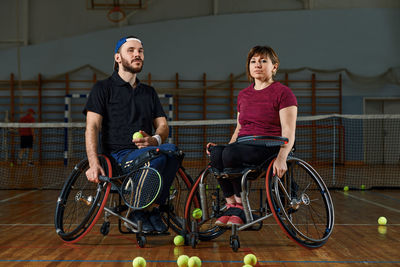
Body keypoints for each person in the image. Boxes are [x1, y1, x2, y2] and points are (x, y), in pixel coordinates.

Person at [83, 36, 180, 233]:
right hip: (117, 158)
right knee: (160, 155)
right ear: (117, 57)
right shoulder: (102, 89)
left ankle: (152, 210)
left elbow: (163, 126)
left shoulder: (149, 92)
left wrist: (155, 139)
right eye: (131, 50)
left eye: (141, 51)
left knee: (172, 152)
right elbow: (92, 127)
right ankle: (136, 211)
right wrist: (93, 163)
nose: (137, 54)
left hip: (147, 153)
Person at [207, 45, 297, 227]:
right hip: (243, 145)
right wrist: (225, 148)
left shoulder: (283, 93)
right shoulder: (243, 95)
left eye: (264, 61)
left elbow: (289, 130)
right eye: (253, 61)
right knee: (217, 153)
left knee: (229, 155)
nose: (258, 64)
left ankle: (240, 207)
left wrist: (281, 158)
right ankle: (231, 205)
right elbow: (239, 128)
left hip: (268, 146)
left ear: (274, 67)